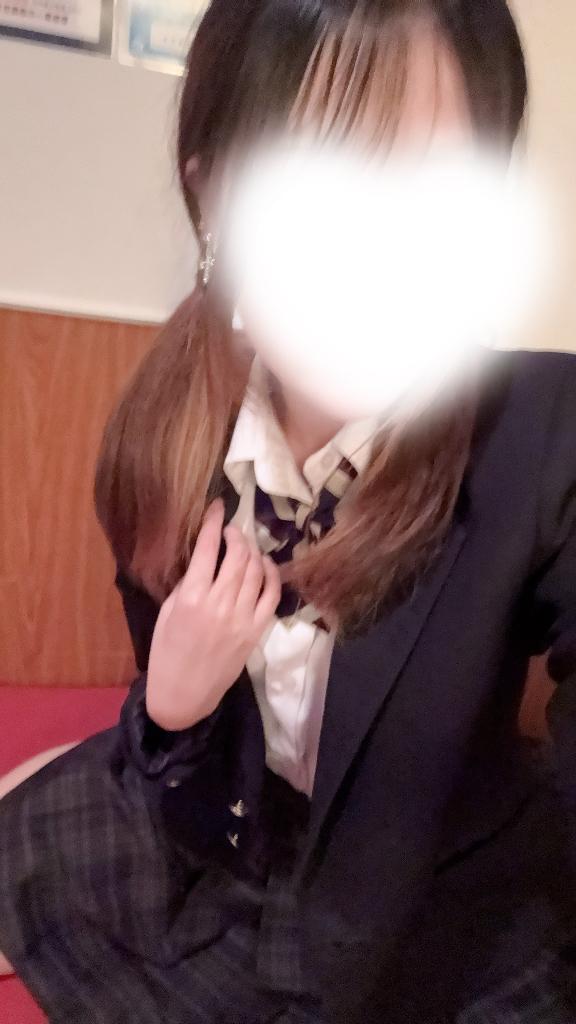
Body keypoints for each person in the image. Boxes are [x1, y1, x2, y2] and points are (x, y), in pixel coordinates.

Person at [1, 2, 575, 1022]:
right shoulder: (163, 438)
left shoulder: (542, 425)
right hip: (230, 852)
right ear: (211, 198)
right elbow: (177, 748)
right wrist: (170, 710)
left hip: (436, 901)